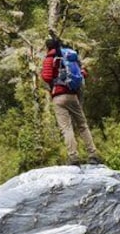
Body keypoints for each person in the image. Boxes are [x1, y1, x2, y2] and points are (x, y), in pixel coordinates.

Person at [41, 38, 102, 166]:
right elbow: (83, 74)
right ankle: (93, 154)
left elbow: (46, 77)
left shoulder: (49, 58)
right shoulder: (69, 57)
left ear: (48, 47)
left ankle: (73, 157)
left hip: (58, 96)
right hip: (73, 96)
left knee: (66, 128)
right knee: (82, 125)